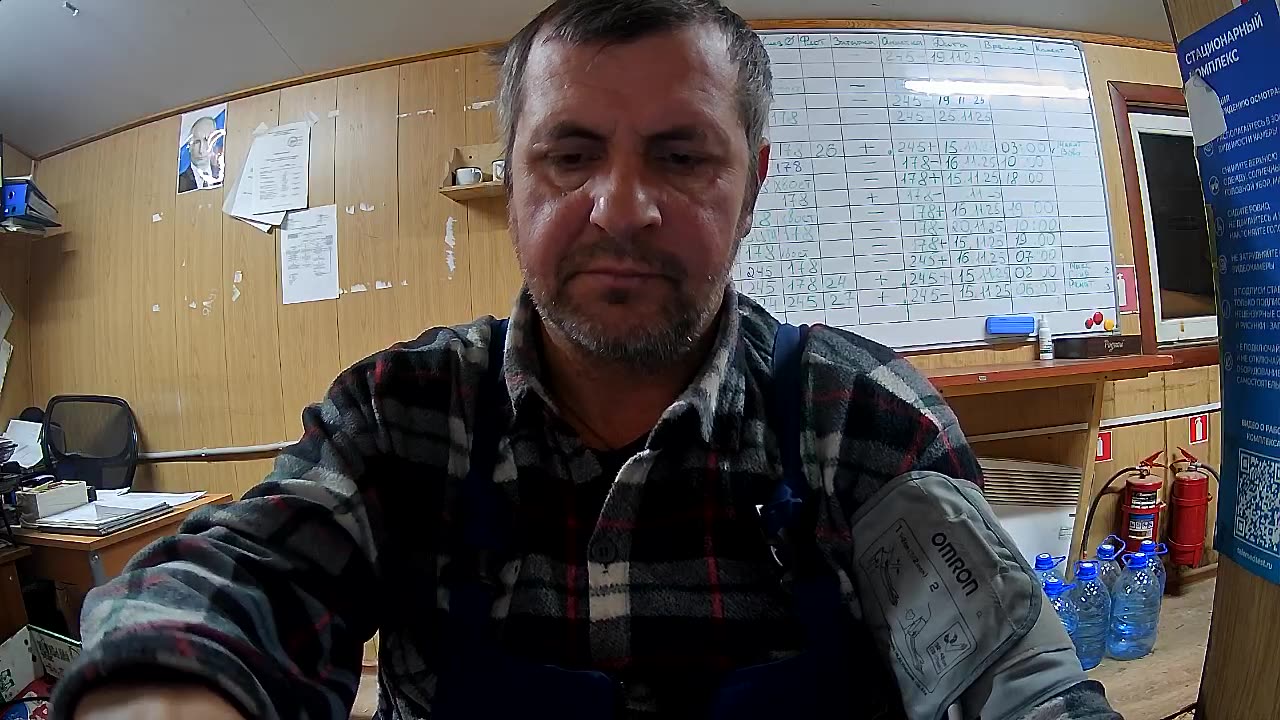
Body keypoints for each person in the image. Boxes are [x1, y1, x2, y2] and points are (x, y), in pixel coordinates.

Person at [59, 1, 1121, 718]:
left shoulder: (867, 420)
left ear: (751, 185)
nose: (620, 207)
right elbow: (245, 577)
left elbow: (1010, 677)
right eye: (569, 155)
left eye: (680, 154)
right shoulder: (400, 414)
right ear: (514, 182)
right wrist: (164, 686)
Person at [178, 115, 224, 193]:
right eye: (196, 142)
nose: (201, 150)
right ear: (189, 145)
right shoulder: (180, 181)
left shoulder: (222, 176)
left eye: (207, 140)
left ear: (214, 142)